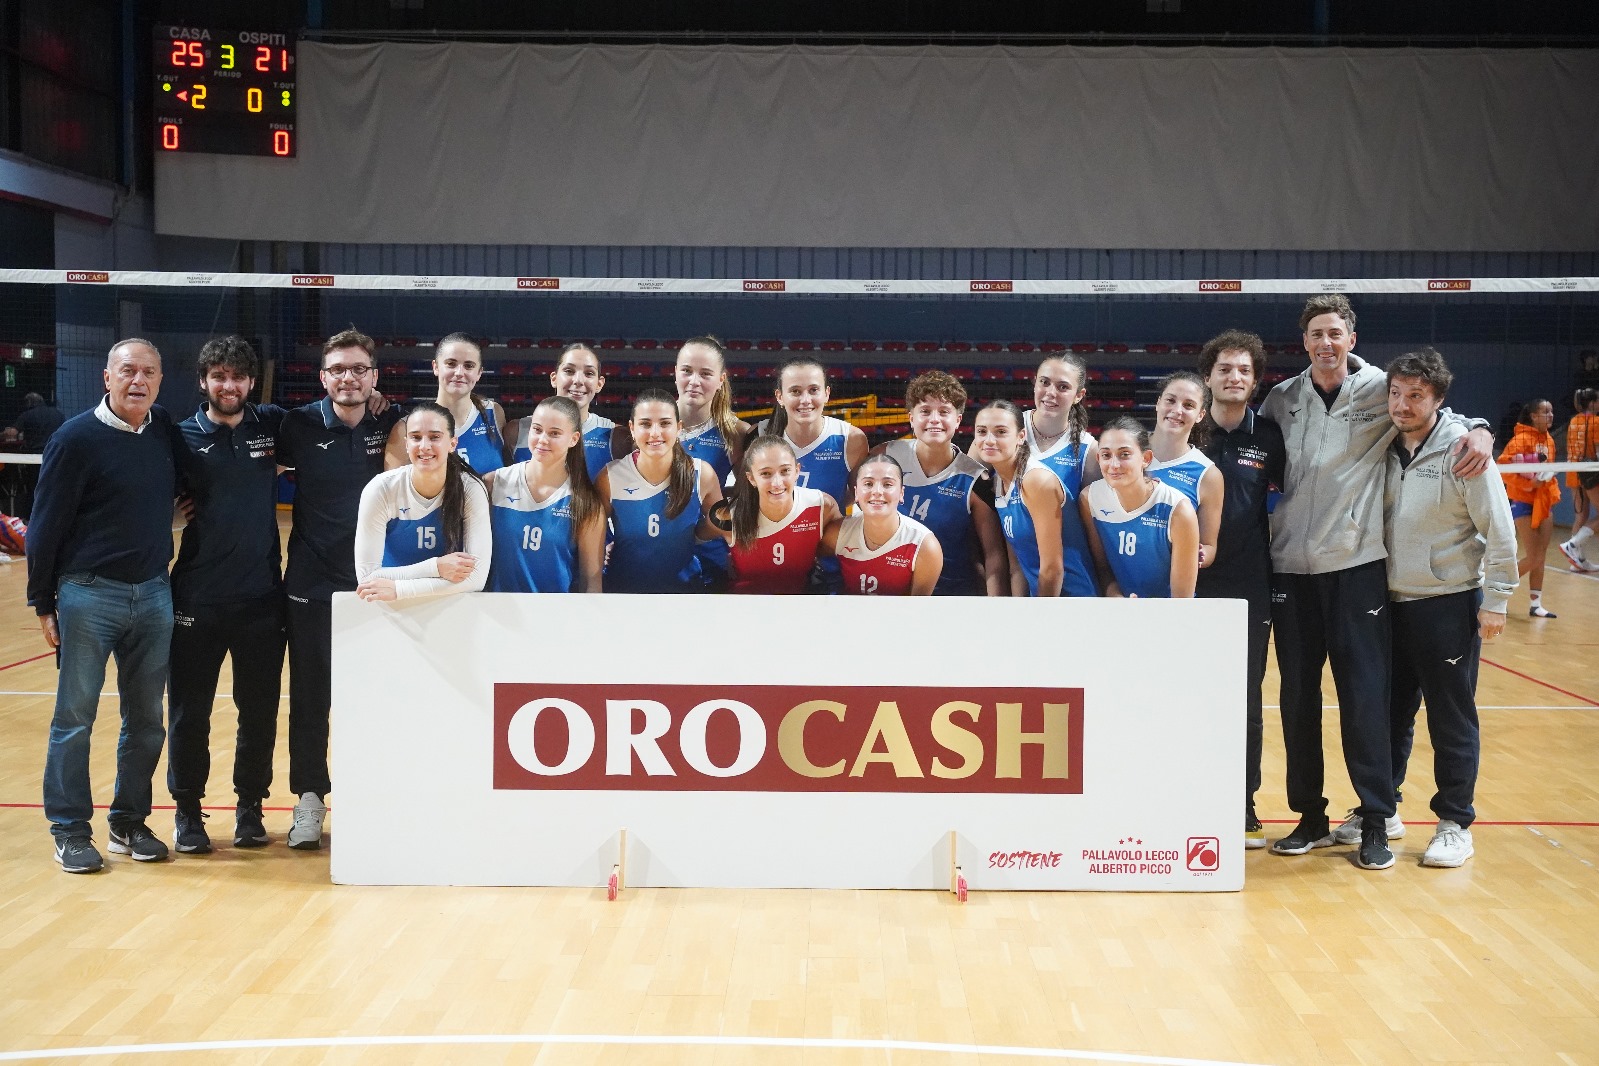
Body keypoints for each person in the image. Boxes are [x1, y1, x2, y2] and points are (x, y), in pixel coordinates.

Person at [1261, 293, 1493, 871]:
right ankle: (1309, 816)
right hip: (1290, 569)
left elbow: (1432, 411)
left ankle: (1375, 817)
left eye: (1335, 333)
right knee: (1297, 700)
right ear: (1304, 341)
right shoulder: (1282, 399)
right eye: (1316, 334)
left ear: (1352, 339)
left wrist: (1480, 428)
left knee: (1366, 698)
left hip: (1356, 566)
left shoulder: (1379, 390)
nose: (1326, 343)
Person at [26, 339, 180, 872]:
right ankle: (69, 829)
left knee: (147, 721)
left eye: (149, 372)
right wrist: (42, 601)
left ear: (160, 381)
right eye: (128, 371)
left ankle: (128, 822)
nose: (139, 380)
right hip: (88, 594)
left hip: (154, 592)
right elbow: (44, 526)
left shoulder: (162, 428)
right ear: (107, 378)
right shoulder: (74, 439)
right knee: (74, 718)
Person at [1383, 349, 1517, 869]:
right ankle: (1384, 810)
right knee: (1389, 715)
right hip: (1388, 603)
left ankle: (1455, 823)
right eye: (1396, 393)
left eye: (1416, 395)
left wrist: (1497, 600)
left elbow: (1499, 528)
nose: (1402, 405)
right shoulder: (1383, 443)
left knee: (1450, 718)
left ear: (1438, 399)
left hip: (1448, 603)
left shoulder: (1464, 451)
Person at [275, 328, 405, 850]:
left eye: (358, 369)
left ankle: (375, 798)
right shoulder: (297, 425)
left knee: (379, 695)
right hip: (312, 583)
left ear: (374, 376)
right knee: (311, 698)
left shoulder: (393, 423)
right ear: (323, 377)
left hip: (378, 585)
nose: (348, 378)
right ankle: (309, 799)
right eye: (337, 370)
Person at [166, 336, 288, 853]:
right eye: (219, 376)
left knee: (257, 711)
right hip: (196, 598)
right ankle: (187, 812)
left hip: (261, 599)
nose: (229, 385)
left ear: (251, 382)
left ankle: (250, 808)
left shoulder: (272, 425)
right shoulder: (179, 436)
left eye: (237, 377)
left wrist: (378, 402)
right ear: (203, 381)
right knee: (189, 712)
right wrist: (173, 510)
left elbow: (333, 416)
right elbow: (152, 493)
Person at [1195, 330, 1286, 850]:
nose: (1234, 377)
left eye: (1244, 371)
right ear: (1208, 377)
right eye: (1225, 369)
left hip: (1248, 583)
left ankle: (1242, 803)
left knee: (1245, 695)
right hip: (1186, 581)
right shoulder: (1186, 428)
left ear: (1255, 382)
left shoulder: (1269, 437)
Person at [880, 372, 1006, 596]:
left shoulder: (974, 479)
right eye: (925, 411)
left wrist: (996, 605)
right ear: (911, 418)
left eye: (944, 412)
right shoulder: (886, 456)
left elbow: (993, 554)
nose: (934, 419)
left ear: (958, 420)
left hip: (951, 595)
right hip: (889, 591)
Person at [354, 401, 491, 601]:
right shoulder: (381, 489)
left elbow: (477, 579)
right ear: (406, 444)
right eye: (416, 437)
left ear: (453, 444)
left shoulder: (470, 489)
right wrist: (436, 568)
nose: (424, 446)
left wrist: (400, 589)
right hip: (391, 605)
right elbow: (366, 578)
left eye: (435, 437)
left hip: (446, 605)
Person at [595, 390, 724, 593]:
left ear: (679, 428)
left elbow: (723, 530)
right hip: (623, 594)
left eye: (665, 423)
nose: (655, 433)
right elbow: (593, 539)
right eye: (645, 424)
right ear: (632, 428)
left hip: (685, 593)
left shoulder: (702, 474)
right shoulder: (610, 476)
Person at [487, 396, 606, 593]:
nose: (543, 439)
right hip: (498, 608)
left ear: (574, 439)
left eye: (554, 433)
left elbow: (591, 582)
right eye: (537, 429)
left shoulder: (586, 504)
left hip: (556, 611)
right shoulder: (494, 483)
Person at [974, 400, 1090, 597]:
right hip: (1038, 600)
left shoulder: (1036, 480)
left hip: (1073, 602)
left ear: (1020, 437)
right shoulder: (1000, 482)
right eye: (982, 431)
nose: (989, 440)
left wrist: (1039, 612)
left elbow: (1052, 569)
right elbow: (1017, 567)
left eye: (1001, 432)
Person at [1081, 417, 1200, 599]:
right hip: (1118, 610)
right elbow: (1102, 569)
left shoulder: (1178, 509)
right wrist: (1116, 597)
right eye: (1106, 455)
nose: (1114, 465)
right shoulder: (1090, 498)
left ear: (1146, 458)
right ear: (1098, 458)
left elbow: (1183, 599)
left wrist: (1145, 610)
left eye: (1124, 454)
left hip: (1169, 611)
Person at [712, 434, 842, 594]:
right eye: (766, 473)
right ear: (751, 478)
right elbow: (697, 540)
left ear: (797, 471)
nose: (777, 483)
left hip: (801, 601)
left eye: (785, 471)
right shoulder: (727, 515)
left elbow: (844, 549)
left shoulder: (822, 506)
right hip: (744, 603)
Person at [675, 335, 753, 588]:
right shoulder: (652, 423)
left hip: (710, 555)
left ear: (721, 380)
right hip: (657, 551)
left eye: (705, 374)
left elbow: (747, 496)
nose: (694, 381)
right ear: (675, 372)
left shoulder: (735, 433)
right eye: (687, 371)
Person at [823, 453, 942, 595]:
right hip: (849, 609)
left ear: (901, 493)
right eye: (868, 484)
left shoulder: (924, 546)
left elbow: (918, 607)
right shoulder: (838, 532)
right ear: (856, 493)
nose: (877, 491)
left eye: (887, 484)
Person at [1147, 371, 1223, 569]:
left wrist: (1198, 555)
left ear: (1200, 415)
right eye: (1170, 400)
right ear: (1158, 403)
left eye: (1188, 405)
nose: (1177, 410)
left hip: (1170, 584)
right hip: (1115, 581)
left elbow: (1209, 546)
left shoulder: (1208, 474)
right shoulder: (1127, 452)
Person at [513, 343, 623, 479]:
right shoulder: (515, 432)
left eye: (589, 373)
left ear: (599, 384)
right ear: (554, 379)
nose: (578, 381)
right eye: (569, 371)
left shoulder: (616, 437)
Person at [1499, 398, 1562, 618]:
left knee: (1540, 557)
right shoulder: (1520, 440)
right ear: (1534, 416)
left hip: (1544, 502)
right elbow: (1504, 470)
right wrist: (1529, 485)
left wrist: (1549, 482)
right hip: (1523, 502)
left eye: (1551, 411)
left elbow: (1547, 470)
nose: (1550, 415)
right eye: (1545, 412)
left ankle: (1536, 605)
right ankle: (1497, 591)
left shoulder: (1550, 441)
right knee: (1533, 556)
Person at [428, 333, 508, 474]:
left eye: (469, 366)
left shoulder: (494, 413)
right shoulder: (412, 426)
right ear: (436, 367)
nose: (459, 372)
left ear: (479, 373)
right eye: (451, 364)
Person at [1557, 388, 1599, 571]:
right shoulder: (1596, 421)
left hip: (1573, 471)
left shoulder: (1574, 421)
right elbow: (1598, 451)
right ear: (1592, 403)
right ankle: (1572, 545)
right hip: (1590, 473)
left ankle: (1577, 561)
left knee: (1581, 516)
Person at [10, 392, 65, 518]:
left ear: (28, 403)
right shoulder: (57, 414)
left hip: (34, 458)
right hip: (54, 456)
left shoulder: (27, 415)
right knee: (53, 487)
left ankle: (32, 516)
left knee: (34, 488)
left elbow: (12, 433)